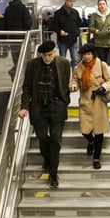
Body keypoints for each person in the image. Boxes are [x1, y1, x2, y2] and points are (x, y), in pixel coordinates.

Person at [19, 40, 71, 188]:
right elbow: (27, 87)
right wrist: (24, 106)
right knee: (42, 137)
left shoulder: (64, 63)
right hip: (39, 106)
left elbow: (65, 83)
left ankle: (53, 174)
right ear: (40, 54)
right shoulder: (32, 65)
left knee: (55, 139)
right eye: (44, 55)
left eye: (50, 55)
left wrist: (64, 101)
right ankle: (47, 160)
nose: (47, 58)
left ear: (55, 52)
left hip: (57, 105)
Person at [69, 43, 110, 169]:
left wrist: (103, 88)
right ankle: (90, 141)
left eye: (89, 54)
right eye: (84, 55)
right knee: (85, 130)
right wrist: (73, 86)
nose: (87, 57)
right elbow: (74, 80)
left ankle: (96, 158)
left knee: (99, 132)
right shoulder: (78, 68)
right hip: (85, 102)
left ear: (93, 54)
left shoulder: (102, 65)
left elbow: (109, 81)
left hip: (99, 102)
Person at [3, 0, 34, 74]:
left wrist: (6, 37)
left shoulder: (8, 9)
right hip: (22, 37)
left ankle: (16, 72)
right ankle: (20, 73)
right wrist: (28, 32)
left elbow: (4, 23)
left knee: (15, 57)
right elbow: (28, 22)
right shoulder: (23, 8)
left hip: (12, 37)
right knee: (23, 56)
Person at [52, 0, 82, 69]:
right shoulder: (58, 13)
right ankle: (63, 78)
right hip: (62, 41)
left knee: (75, 60)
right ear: (65, 0)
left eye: (73, 1)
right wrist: (60, 31)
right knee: (63, 61)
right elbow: (54, 26)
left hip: (73, 40)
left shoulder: (75, 13)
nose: (72, 3)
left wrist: (77, 33)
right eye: (70, 1)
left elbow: (79, 24)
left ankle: (74, 79)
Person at [88, 0, 110, 64]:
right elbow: (90, 28)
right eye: (100, 4)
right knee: (100, 61)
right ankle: (100, 73)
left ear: (106, 5)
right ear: (98, 6)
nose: (102, 6)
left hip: (108, 42)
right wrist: (95, 30)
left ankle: (103, 73)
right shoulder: (94, 16)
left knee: (105, 61)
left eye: (103, 4)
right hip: (98, 42)